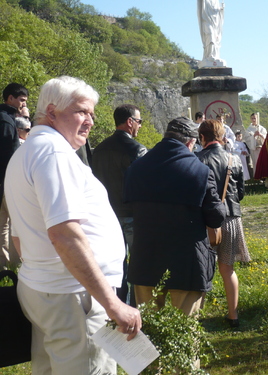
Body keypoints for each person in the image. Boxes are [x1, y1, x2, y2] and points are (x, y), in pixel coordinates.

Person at [4, 76, 141, 374]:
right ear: (52, 112)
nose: (90, 121)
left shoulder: (24, 153)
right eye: (82, 111)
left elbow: (19, 238)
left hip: (52, 292)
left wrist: (45, 274)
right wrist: (113, 304)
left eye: (92, 113)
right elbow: (65, 235)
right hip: (74, 299)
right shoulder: (53, 153)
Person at [125, 117, 226, 317]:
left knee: (148, 328)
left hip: (146, 259)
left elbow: (128, 211)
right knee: (185, 329)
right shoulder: (200, 171)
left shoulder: (135, 168)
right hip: (187, 262)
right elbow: (216, 218)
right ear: (191, 142)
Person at [92, 104, 147, 305]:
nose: (140, 126)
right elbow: (145, 185)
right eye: (139, 121)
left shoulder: (98, 150)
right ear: (130, 121)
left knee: (113, 266)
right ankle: (135, 308)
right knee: (139, 265)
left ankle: (116, 305)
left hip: (107, 216)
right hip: (132, 214)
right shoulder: (138, 150)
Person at [197, 119, 251, 327]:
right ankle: (233, 316)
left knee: (203, 270)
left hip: (207, 221)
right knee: (228, 269)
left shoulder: (197, 159)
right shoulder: (234, 159)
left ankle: (196, 317)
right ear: (221, 136)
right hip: (231, 218)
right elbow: (241, 194)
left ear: (202, 137)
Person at [0, 83, 28, 270]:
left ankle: (3, 269)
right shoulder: (7, 121)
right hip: (7, 183)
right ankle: (17, 267)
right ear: (10, 98)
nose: (23, 104)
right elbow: (9, 155)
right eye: (21, 100)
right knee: (18, 225)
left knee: (3, 227)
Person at [197, 0, 225, 67]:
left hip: (215, 23)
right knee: (210, 36)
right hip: (206, 21)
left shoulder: (215, 1)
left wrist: (221, 9)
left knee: (215, 39)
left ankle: (215, 55)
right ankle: (209, 55)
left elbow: (217, 12)